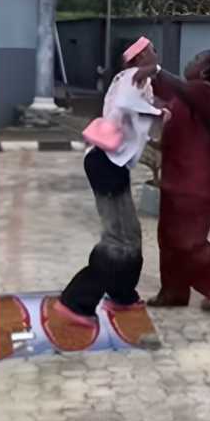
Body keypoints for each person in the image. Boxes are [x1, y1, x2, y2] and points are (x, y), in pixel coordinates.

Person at [55, 37, 165, 326]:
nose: (155, 52)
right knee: (119, 239)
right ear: (139, 57)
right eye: (151, 49)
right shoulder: (130, 78)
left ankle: (122, 295)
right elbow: (130, 105)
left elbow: (143, 124)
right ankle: (75, 302)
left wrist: (160, 118)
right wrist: (159, 113)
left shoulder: (136, 80)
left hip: (112, 164)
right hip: (105, 163)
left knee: (130, 234)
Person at [135, 49, 210, 310]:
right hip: (175, 181)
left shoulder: (206, 92)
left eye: (195, 59)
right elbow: (158, 91)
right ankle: (174, 293)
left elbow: (172, 85)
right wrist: (141, 66)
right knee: (167, 240)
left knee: (188, 243)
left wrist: (155, 69)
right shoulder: (185, 95)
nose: (188, 61)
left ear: (204, 71)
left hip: (197, 187)